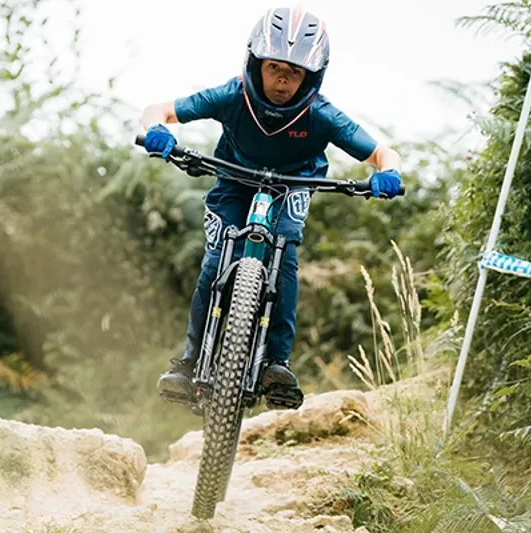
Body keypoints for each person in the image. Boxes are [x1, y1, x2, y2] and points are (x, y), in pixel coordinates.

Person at [140, 6, 403, 407]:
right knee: (213, 261)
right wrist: (157, 130)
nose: (282, 80)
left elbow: (383, 154)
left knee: (285, 259)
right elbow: (159, 110)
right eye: (275, 67)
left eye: (294, 72)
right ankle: (189, 361)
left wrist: (389, 175)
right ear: (256, 62)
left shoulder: (320, 114)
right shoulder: (233, 95)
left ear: (310, 77)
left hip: (293, 184)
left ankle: (275, 364)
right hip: (234, 178)